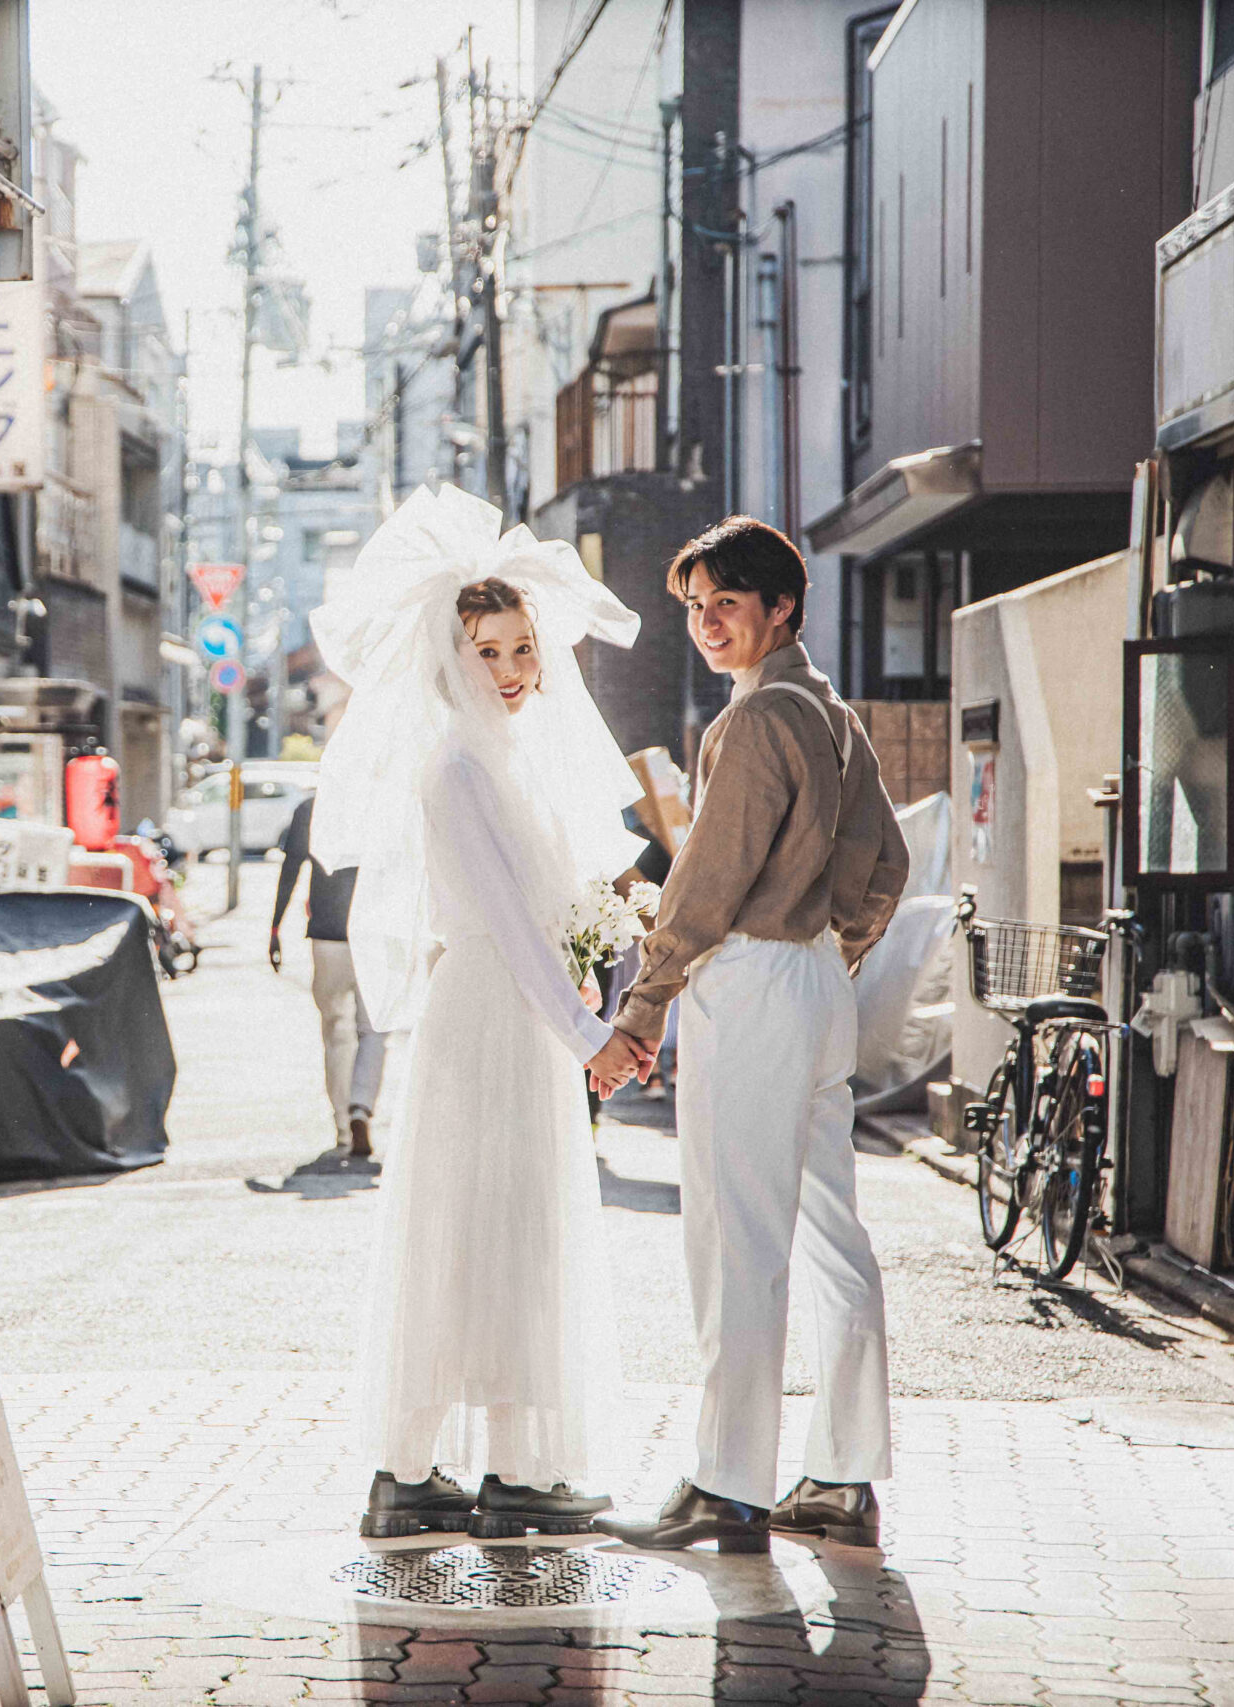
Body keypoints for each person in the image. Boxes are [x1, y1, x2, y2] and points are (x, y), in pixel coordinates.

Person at [310, 484, 647, 1541]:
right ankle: (418, 1473)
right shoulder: (452, 763)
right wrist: (591, 1034)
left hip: (519, 1013)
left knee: (512, 1232)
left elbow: (544, 914)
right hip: (487, 1015)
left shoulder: (510, 757)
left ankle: (507, 1470)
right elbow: (502, 922)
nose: (507, 671)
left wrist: (594, 974)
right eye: (486, 651)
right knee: (475, 1230)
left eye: (518, 648)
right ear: (446, 656)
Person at [592, 515, 905, 1555]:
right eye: (692, 606)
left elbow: (704, 882)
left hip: (758, 979)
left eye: (726, 601)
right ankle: (844, 1476)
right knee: (828, 1235)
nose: (706, 622)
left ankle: (727, 1485)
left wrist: (643, 1006)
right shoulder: (828, 712)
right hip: (814, 978)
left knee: (737, 1239)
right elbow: (889, 863)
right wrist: (832, 952)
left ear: (781, 607)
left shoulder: (756, 719)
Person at [269, 793, 386, 1159]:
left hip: (327, 935)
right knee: (375, 1028)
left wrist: (274, 927)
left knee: (337, 1033)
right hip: (375, 935)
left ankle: (342, 1128)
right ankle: (360, 1109)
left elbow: (291, 869)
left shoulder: (311, 808)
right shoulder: (382, 802)